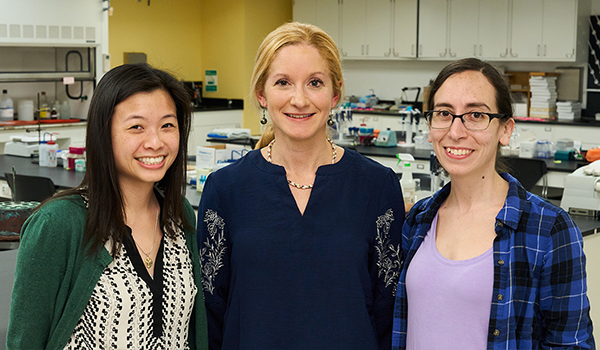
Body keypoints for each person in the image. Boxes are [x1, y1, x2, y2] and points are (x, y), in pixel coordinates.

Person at [197, 22, 405, 349]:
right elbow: (212, 312)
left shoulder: (377, 187)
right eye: (283, 82)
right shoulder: (225, 189)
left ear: (335, 93)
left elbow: (388, 310)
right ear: (261, 94)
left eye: (315, 83)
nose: (299, 99)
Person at [392, 57, 594, 349]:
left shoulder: (549, 229)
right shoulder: (419, 219)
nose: (456, 131)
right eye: (444, 113)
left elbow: (571, 344)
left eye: (476, 115)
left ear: (506, 129)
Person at [7, 63, 208, 350]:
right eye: (136, 127)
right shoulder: (59, 224)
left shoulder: (179, 214)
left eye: (167, 125)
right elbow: (25, 341)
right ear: (104, 133)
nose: (155, 142)